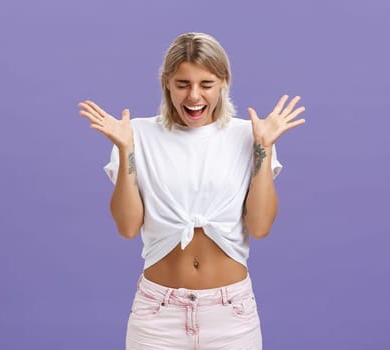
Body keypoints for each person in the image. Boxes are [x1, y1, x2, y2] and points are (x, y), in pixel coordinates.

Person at [77, 32, 305, 350]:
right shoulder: (135, 135)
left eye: (206, 84)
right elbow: (128, 228)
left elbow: (260, 226)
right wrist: (127, 150)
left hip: (231, 315)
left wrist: (263, 147)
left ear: (224, 82)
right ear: (166, 82)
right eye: (182, 84)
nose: (194, 96)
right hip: (158, 315)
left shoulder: (249, 135)